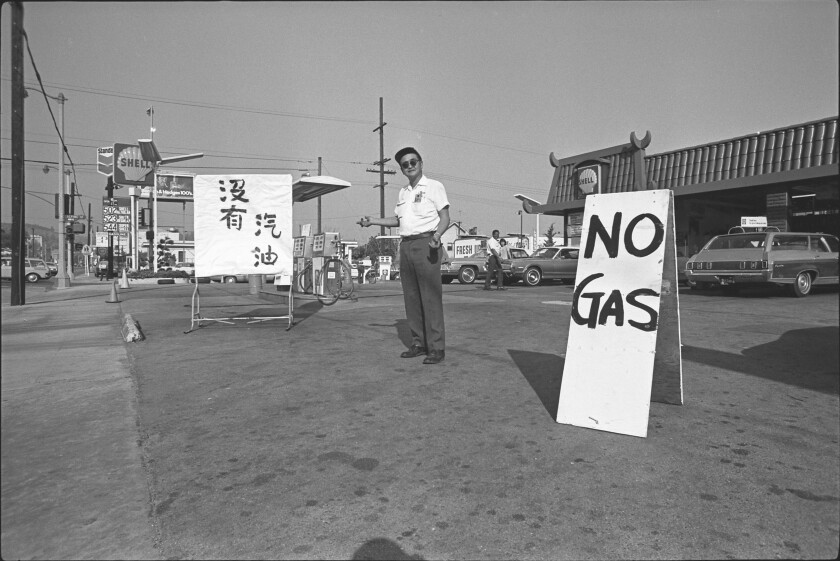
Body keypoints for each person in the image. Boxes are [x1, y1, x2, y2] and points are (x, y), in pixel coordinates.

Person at [359, 147, 450, 365]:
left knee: (430, 298)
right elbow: (399, 220)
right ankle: (419, 343)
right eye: (405, 164)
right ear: (401, 169)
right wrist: (373, 221)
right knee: (411, 298)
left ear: (421, 163)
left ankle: (436, 348)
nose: (410, 166)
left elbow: (445, 217)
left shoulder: (434, 186)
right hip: (406, 246)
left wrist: (437, 235)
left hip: (427, 243)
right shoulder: (403, 193)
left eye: (413, 162)